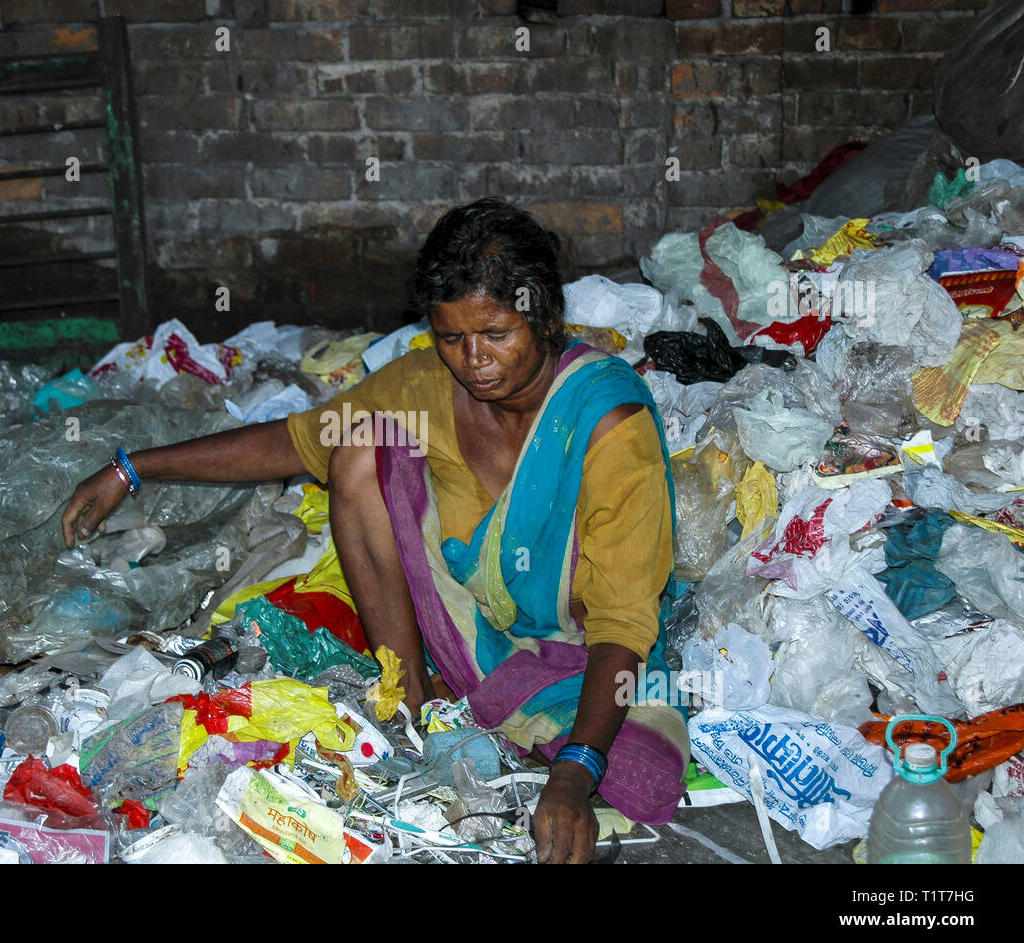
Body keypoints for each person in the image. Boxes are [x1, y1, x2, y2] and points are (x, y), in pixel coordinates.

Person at [62, 198, 689, 864]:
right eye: (452, 337)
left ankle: (513, 713)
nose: (474, 360)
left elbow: (623, 619)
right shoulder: (425, 386)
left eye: (496, 333)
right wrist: (132, 469)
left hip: (584, 647)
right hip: (478, 629)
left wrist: (575, 770)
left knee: (638, 772)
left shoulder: (606, 420)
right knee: (356, 450)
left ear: (545, 316)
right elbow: (299, 440)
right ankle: (413, 705)